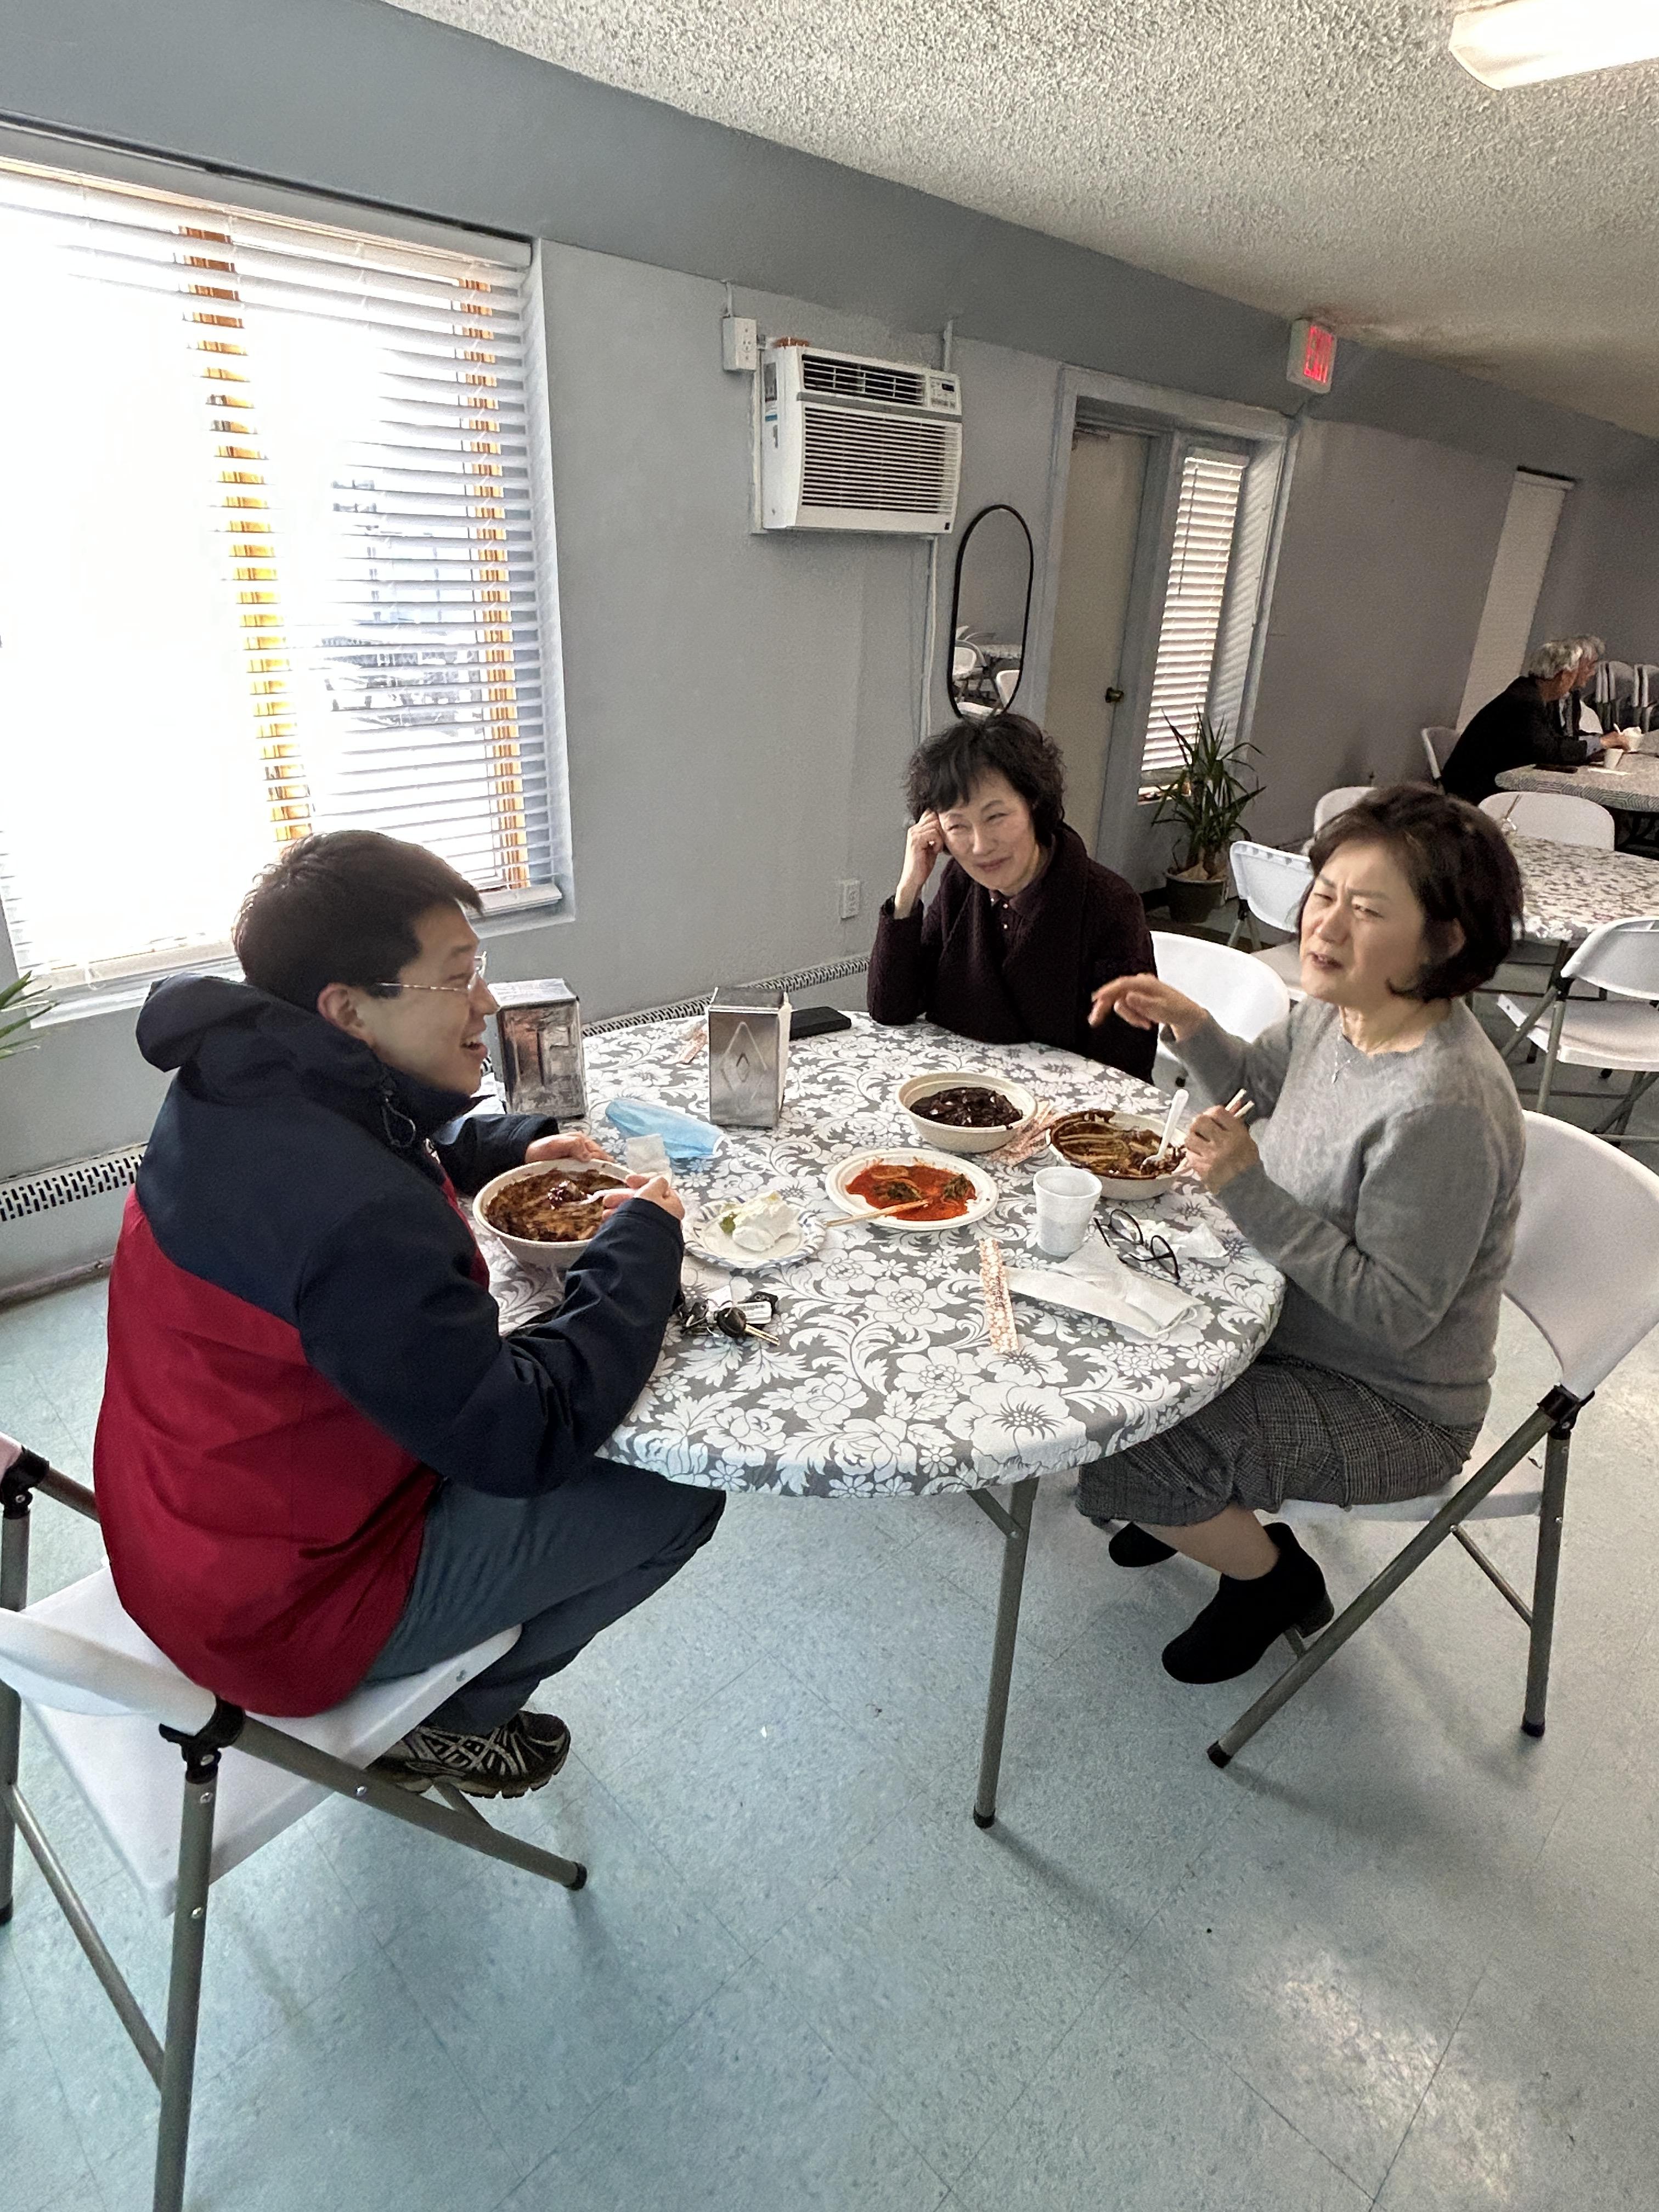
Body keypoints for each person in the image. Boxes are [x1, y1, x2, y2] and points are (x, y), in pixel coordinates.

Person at [94, 830, 722, 1798]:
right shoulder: (356, 1221)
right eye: (457, 978)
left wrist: (508, 1147)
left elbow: (371, 1138)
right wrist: (640, 1244)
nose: (486, 1004)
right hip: (280, 1612)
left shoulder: (234, 1083)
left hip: (178, 1531)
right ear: (347, 1008)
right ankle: (446, 1725)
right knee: (676, 1500)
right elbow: (521, 1436)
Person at [1079, 786, 1525, 1685]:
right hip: (1283, 1323)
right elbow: (1262, 1085)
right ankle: (1197, 1505)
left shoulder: (1440, 1108)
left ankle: (1271, 1580)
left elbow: (1396, 1312)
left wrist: (1246, 1188)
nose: (1325, 925)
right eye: (1324, 894)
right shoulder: (1339, 1008)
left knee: (1127, 1442)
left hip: (1388, 1400)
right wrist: (1189, 1024)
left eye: (1368, 911)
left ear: (1444, 942)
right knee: (1104, 1361)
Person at [866, 713, 1156, 1078]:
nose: (980, 846)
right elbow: (891, 1008)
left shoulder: (1110, 904)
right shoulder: (960, 883)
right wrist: (909, 887)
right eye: (957, 825)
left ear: (1033, 802)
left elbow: (1125, 1068)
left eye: (996, 817)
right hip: (958, 1089)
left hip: (1058, 1105)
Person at [1441, 640, 1629, 804]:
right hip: (1476, 790)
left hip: (1490, 781)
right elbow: (1548, 751)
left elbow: (1553, 740)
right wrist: (1601, 742)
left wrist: (1593, 748)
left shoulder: (1532, 694)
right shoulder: (1525, 701)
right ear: (1564, 676)